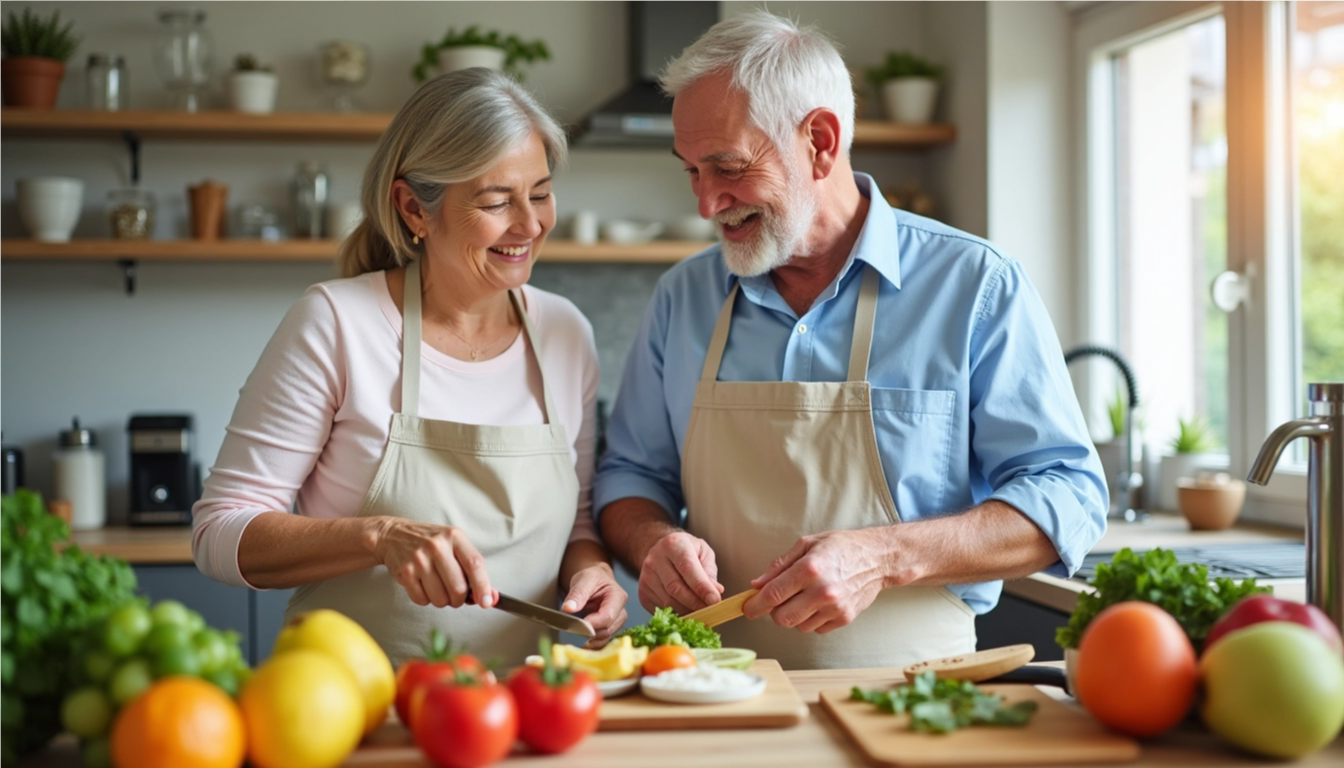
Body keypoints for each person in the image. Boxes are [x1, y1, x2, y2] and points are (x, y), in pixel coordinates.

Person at [594, 11, 1107, 670]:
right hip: (715, 696)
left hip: (915, 699)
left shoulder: (974, 286)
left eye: (726, 167)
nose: (706, 203)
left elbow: (1068, 492)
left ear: (821, 141)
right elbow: (631, 478)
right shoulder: (683, 298)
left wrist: (886, 556)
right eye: (691, 171)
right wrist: (652, 540)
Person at [193, 68, 627, 668]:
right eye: (497, 201)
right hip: (351, 715)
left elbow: (576, 523)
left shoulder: (565, 333)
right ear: (413, 209)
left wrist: (594, 573)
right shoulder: (337, 322)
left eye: (541, 192)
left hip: (522, 719)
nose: (530, 225)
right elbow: (218, 533)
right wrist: (378, 536)